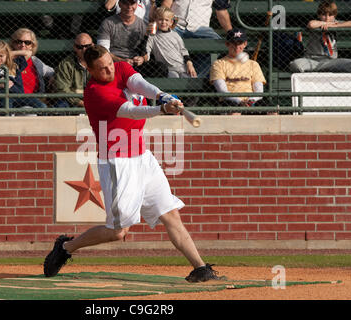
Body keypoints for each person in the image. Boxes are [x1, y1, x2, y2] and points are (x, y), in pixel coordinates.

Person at [43, 45, 224, 283]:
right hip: (118, 163)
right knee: (118, 232)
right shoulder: (95, 91)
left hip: (142, 157)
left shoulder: (120, 67)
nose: (109, 69)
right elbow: (131, 112)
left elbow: (140, 84)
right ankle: (66, 246)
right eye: (102, 68)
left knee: (170, 214)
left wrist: (162, 95)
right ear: (90, 70)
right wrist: (161, 108)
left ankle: (200, 268)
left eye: (109, 63)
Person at [161, 0, 233, 77]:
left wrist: (231, 33)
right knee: (163, 38)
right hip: (176, 25)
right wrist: (166, 22)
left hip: (201, 29)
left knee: (218, 44)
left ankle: (192, 77)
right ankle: (174, 72)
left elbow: (221, 11)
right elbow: (166, 3)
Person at [97, 0, 166, 77]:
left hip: (134, 64)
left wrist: (142, 59)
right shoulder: (108, 23)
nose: (129, 7)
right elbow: (102, 51)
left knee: (161, 67)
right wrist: (122, 61)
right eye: (125, 3)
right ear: (119, 4)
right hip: (114, 63)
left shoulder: (142, 25)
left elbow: (147, 54)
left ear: (136, 5)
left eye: (132, 3)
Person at [0, 40, 47, 109]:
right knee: (8, 109)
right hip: (3, 96)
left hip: (19, 95)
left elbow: (28, 53)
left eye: (1, 56)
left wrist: (10, 53)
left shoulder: (15, 63)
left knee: (42, 106)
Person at [209, 28, 266, 115]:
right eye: (233, 43)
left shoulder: (253, 64)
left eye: (239, 43)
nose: (236, 47)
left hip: (251, 102)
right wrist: (239, 101)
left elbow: (259, 91)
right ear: (227, 44)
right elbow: (222, 91)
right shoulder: (219, 64)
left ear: (245, 44)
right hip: (230, 101)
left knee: (271, 111)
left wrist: (250, 101)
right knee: (235, 112)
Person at [289, 0, 351, 73]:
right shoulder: (317, 23)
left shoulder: (335, 23)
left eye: (330, 15)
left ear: (334, 15)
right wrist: (323, 23)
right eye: (324, 15)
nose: (327, 18)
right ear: (319, 15)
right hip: (312, 61)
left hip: (330, 62)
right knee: (295, 65)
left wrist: (333, 25)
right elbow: (311, 24)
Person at [142, 6, 197, 78]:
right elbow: (147, 53)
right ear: (156, 20)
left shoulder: (175, 35)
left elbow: (183, 51)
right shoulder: (153, 36)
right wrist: (146, 35)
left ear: (171, 22)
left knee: (192, 79)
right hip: (168, 69)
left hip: (182, 67)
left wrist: (189, 64)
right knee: (174, 79)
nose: (163, 22)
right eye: (160, 19)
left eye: (166, 20)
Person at [51, 33, 93, 108]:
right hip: (71, 101)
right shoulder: (66, 64)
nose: (84, 50)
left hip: (93, 99)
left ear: (92, 45)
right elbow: (63, 88)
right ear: (75, 48)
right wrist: (79, 102)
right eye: (80, 47)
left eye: (87, 46)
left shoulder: (98, 63)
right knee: (61, 106)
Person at [9, 28, 55, 95]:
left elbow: (51, 71)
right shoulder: (7, 60)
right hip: (17, 99)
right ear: (13, 43)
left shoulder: (35, 61)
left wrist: (54, 76)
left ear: (32, 46)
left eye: (27, 43)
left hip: (36, 98)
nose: (23, 45)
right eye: (19, 42)